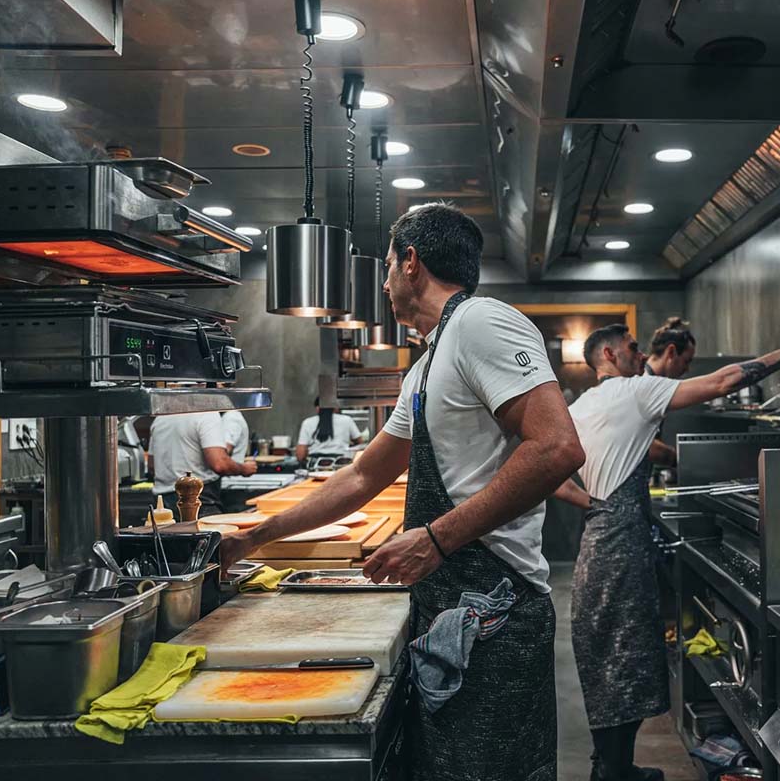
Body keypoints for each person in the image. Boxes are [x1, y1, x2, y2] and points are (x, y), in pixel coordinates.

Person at [219, 202, 584, 781]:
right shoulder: (427, 362)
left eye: (387, 266)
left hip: (494, 609)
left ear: (411, 262)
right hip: (451, 606)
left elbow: (557, 447)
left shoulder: (481, 321)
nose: (385, 283)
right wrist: (254, 537)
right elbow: (364, 475)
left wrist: (435, 539)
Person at [555, 323, 780, 781]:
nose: (641, 355)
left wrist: (605, 504)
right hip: (621, 548)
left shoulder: (583, 405)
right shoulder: (634, 390)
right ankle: (614, 773)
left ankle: (612, 765)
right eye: (633, 348)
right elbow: (722, 383)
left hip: (595, 545)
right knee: (629, 660)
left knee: (607, 658)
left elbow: (561, 481)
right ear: (608, 354)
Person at [148, 412, 257, 517]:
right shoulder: (206, 415)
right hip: (197, 499)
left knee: (168, 536)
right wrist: (244, 469)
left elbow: (152, 466)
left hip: (162, 502)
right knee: (214, 535)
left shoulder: (161, 418)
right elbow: (219, 464)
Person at [642, 317, 697, 467]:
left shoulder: (654, 384)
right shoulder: (643, 385)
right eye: (686, 361)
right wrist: (681, 461)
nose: (687, 369)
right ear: (671, 352)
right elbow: (642, 444)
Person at [295, 398, 366, 463]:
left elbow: (301, 453)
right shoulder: (346, 420)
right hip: (340, 462)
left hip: (315, 463)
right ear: (336, 407)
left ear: (317, 408)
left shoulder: (308, 422)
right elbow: (360, 442)